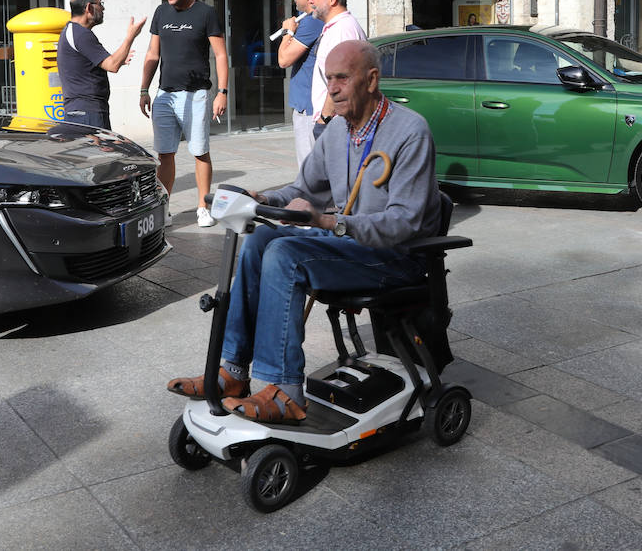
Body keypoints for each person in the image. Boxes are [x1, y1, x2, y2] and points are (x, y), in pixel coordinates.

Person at [166, 40, 442, 423]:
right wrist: (260, 196)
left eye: (342, 78)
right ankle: (233, 371)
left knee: (286, 254)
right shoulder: (338, 132)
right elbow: (302, 190)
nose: (332, 89)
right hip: (350, 247)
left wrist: (327, 221)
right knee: (261, 239)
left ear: (372, 79)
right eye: (328, 79)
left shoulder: (409, 132)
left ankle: (285, 390)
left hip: (396, 258)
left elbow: (404, 222)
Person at [140, 0, 229, 227]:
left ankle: (203, 206)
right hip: (165, 94)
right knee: (165, 154)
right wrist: (144, 89)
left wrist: (222, 92)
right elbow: (152, 55)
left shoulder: (206, 13)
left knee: (200, 152)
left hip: (197, 93)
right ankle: (164, 208)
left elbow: (221, 55)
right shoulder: (161, 12)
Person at [56, 0, 145, 130]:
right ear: (89, 8)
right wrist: (131, 36)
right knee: (97, 153)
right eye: (100, 3)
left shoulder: (72, 31)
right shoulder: (81, 35)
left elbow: (103, 62)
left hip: (80, 112)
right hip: (88, 114)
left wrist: (120, 58)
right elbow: (112, 65)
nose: (103, 8)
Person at [308, 0, 366, 139]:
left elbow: (341, 81)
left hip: (338, 122)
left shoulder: (342, 30)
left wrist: (324, 119)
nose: (311, 0)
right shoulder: (337, 28)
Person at [275, 0, 324, 166]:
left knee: (308, 169)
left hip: (309, 109)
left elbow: (284, 60)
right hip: (307, 106)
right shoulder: (308, 20)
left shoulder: (312, 22)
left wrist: (287, 32)